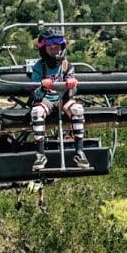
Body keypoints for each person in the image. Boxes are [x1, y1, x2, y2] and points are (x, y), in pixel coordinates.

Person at [29, 28, 90, 171]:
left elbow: (72, 86)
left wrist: (71, 83)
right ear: (44, 50)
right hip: (47, 99)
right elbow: (35, 93)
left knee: (77, 109)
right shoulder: (39, 67)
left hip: (64, 99)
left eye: (57, 48)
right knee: (37, 112)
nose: (54, 51)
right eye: (50, 48)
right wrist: (43, 86)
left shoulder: (66, 65)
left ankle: (79, 151)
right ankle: (40, 154)